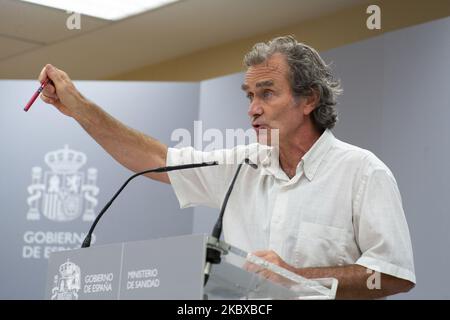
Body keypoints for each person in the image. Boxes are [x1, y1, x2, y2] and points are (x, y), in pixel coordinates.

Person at [38, 35, 415, 299]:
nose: (253, 108)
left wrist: (298, 277)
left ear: (309, 99)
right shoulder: (239, 164)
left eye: (267, 93)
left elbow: (394, 275)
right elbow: (153, 160)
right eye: (250, 95)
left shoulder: (362, 171)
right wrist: (80, 109)